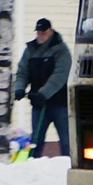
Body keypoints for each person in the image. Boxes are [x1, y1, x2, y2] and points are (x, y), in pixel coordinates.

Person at [13, 18, 72, 157]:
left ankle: (67, 166)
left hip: (60, 105)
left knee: (66, 141)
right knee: (36, 141)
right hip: (39, 105)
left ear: (50, 31)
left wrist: (43, 93)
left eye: (43, 33)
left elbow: (60, 75)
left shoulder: (61, 50)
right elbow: (22, 72)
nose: (40, 36)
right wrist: (19, 88)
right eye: (38, 33)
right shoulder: (30, 50)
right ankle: (32, 167)